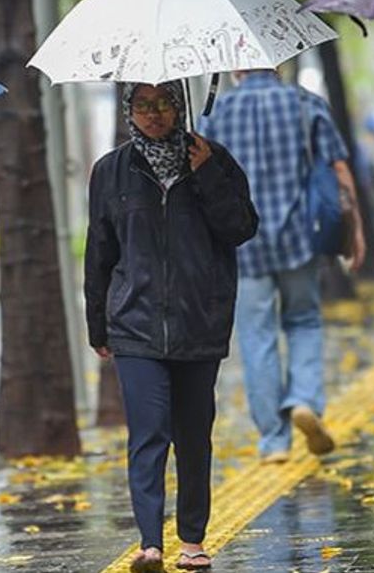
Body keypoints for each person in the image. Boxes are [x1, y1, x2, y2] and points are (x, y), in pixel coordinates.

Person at [85, 81, 257, 572]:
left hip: (199, 319)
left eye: (164, 104)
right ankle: (149, 543)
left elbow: (241, 228)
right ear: (129, 111)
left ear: (179, 107)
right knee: (148, 431)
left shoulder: (213, 159)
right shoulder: (111, 170)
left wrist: (206, 176)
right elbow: (99, 251)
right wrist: (98, 324)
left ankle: (193, 540)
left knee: (193, 433)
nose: (155, 114)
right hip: (134, 323)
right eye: (143, 106)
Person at [200, 69, 366, 464]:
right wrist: (355, 230)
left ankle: (274, 441)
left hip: (244, 243)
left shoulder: (214, 114)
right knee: (304, 320)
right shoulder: (306, 103)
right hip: (299, 238)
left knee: (257, 337)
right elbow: (339, 169)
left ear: (237, 67)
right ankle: (304, 399)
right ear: (276, 60)